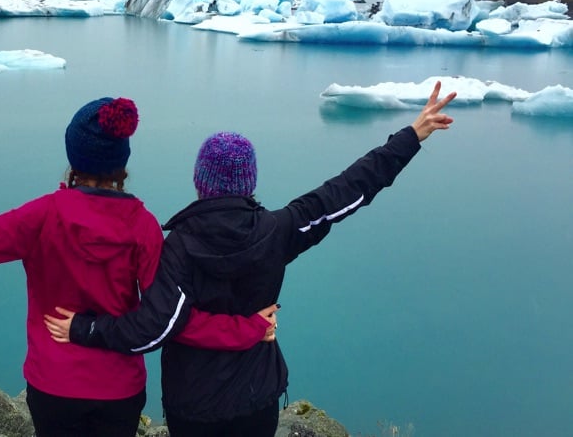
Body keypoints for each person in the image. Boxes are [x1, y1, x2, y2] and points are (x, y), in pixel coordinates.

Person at [44, 82, 457, 436]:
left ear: (199, 181)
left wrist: (86, 328)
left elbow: (153, 330)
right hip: (257, 397)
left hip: (194, 404)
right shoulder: (279, 230)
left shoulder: (178, 247)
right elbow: (349, 189)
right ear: (250, 181)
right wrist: (411, 136)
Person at [0, 96, 276, 437]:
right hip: (119, 390)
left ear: (74, 159)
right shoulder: (143, 226)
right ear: (121, 164)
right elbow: (168, 319)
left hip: (53, 386)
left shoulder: (42, 217)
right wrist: (249, 328)